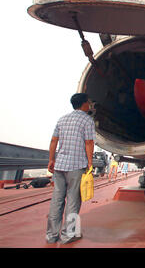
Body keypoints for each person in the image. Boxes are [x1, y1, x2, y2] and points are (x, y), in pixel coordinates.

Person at [46, 93, 95, 244]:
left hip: (60, 166)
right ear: (84, 104)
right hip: (76, 165)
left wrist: (51, 159)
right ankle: (68, 235)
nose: (90, 104)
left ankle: (51, 235)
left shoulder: (62, 119)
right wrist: (90, 162)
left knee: (57, 200)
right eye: (89, 102)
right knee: (73, 200)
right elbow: (88, 143)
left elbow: (54, 140)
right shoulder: (87, 120)